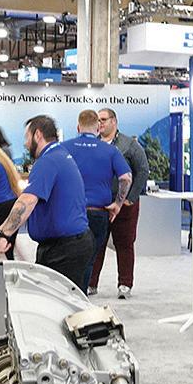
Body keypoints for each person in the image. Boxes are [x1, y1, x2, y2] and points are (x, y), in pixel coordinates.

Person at [0, 115, 93, 290]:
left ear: (37, 135)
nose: (25, 144)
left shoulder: (48, 161)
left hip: (65, 249)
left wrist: (4, 234)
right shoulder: (59, 155)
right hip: (67, 245)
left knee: (57, 301)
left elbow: (28, 201)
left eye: (26, 137)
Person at [67, 110, 132, 294]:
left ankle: (71, 294)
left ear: (78, 127)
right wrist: (118, 204)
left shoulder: (64, 148)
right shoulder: (110, 151)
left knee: (70, 257)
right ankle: (82, 295)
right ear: (97, 128)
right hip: (98, 213)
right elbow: (126, 178)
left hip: (71, 212)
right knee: (91, 258)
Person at [89, 107, 148, 299]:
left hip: (124, 206)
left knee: (124, 244)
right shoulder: (94, 144)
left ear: (114, 121)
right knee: (95, 245)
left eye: (103, 119)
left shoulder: (129, 145)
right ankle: (90, 284)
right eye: (98, 120)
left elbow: (143, 170)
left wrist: (130, 198)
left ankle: (125, 285)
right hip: (100, 206)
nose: (100, 123)